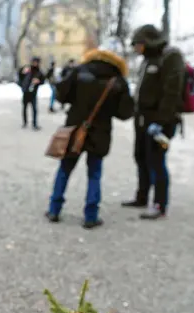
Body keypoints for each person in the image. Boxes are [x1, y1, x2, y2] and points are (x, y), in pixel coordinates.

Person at [46, 46, 134, 229]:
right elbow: (125, 113)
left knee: (65, 169)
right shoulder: (118, 80)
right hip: (100, 133)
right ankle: (90, 215)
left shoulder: (79, 72)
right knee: (94, 174)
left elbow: (62, 95)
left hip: (75, 129)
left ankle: (54, 209)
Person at [121, 24, 185, 220]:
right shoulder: (147, 60)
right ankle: (141, 196)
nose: (135, 49)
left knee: (156, 161)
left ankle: (159, 204)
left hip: (160, 122)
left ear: (147, 42)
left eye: (137, 44)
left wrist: (161, 120)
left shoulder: (170, 57)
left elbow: (172, 92)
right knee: (140, 156)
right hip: (142, 119)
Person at [18, 57, 45, 130]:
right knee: (24, 108)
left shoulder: (39, 72)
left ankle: (35, 124)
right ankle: (25, 122)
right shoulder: (27, 69)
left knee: (34, 109)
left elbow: (43, 81)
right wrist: (22, 72)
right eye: (34, 62)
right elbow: (20, 77)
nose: (35, 63)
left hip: (33, 93)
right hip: (26, 92)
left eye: (36, 62)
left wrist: (38, 81)